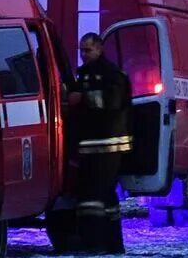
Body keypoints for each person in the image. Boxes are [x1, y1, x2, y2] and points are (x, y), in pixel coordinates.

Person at [65, 32, 130, 254]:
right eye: (81, 50)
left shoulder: (113, 74)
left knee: (94, 195)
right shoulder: (82, 74)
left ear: (100, 48)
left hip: (109, 143)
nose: (84, 55)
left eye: (88, 50)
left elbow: (113, 102)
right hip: (89, 144)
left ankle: (96, 244)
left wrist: (82, 98)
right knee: (106, 197)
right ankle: (113, 244)